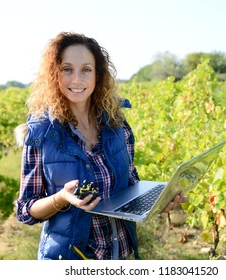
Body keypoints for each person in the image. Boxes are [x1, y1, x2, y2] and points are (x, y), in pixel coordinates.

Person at [15, 32, 186, 260]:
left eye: (86, 69)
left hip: (120, 254)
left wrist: (158, 201)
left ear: (98, 75)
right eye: (67, 69)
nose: (77, 79)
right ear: (54, 74)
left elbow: (129, 182)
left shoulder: (116, 124)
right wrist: (61, 198)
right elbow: (25, 211)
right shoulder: (40, 134)